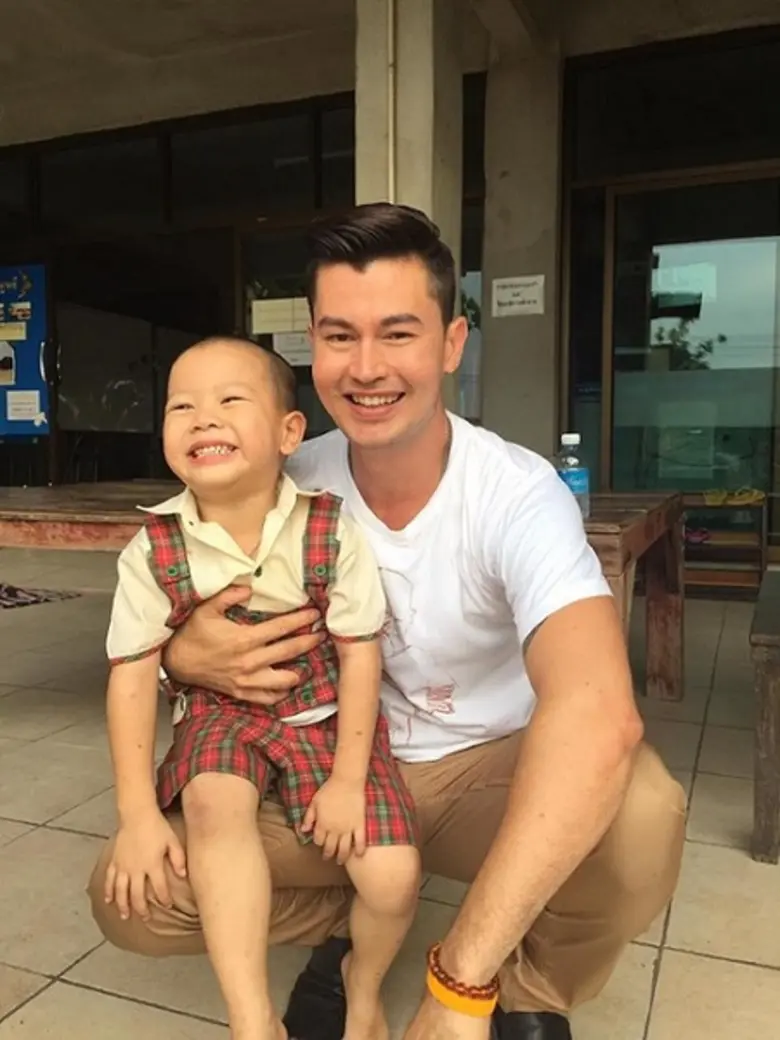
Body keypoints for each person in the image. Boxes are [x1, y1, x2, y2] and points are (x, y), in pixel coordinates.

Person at [89, 204, 687, 1040]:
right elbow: (169, 596)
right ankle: (353, 930)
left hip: (483, 772)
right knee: (137, 896)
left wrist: (458, 987)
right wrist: (180, 659)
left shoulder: (516, 493)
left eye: (398, 334)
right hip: (324, 758)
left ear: (451, 343)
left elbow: (597, 711)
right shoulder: (283, 476)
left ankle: (523, 985)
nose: (366, 368)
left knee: (641, 817)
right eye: (340, 336)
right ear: (313, 344)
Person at [101, 336, 420, 1040]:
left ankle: (362, 984)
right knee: (213, 808)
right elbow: (130, 677)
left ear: (288, 433)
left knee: (394, 876)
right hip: (221, 712)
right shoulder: (153, 548)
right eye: (182, 406)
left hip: (325, 712)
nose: (204, 418)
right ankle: (252, 1018)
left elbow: (359, 657)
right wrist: (137, 815)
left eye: (230, 400)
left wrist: (348, 778)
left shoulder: (329, 528)